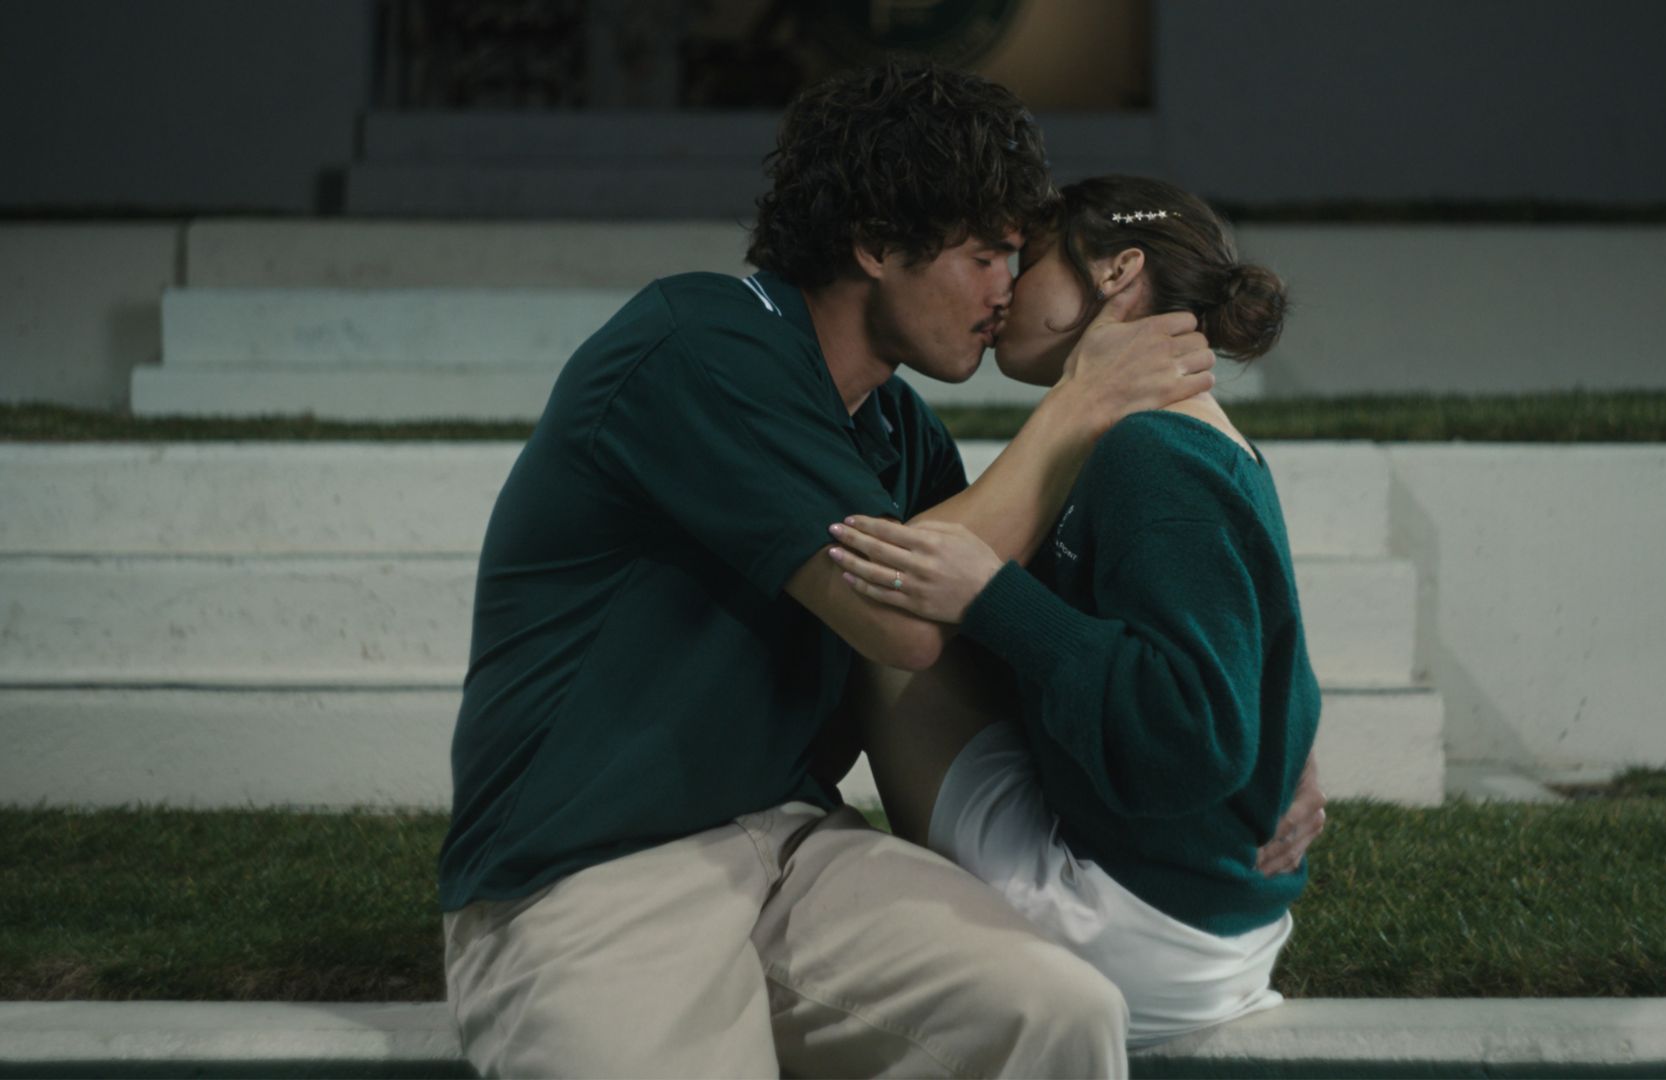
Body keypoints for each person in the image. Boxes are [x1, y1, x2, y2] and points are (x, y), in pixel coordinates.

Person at [435, 62, 1235, 1078]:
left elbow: (1023, 644)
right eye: (986, 253)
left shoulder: (902, 433)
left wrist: (1260, 739)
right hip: (590, 874)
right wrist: (1077, 409)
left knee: (1056, 1014)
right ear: (874, 242)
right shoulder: (700, 342)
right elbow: (900, 620)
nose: (1008, 288)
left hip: (793, 852)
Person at [825, 175, 1321, 1047]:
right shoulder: (1184, 434)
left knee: (884, 625)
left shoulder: (1151, 450)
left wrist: (991, 596)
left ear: (1116, 272)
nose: (1006, 287)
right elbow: (1247, 648)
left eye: (1028, 261)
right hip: (1211, 923)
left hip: (1139, 932)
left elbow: (1191, 737)